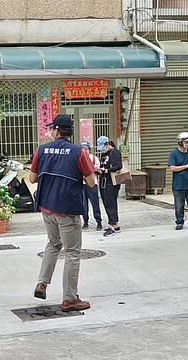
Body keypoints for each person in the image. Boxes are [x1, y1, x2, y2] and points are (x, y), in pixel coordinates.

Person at [30, 115, 96, 312]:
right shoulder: (79, 152)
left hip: (46, 207)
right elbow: (91, 182)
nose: (51, 132)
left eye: (52, 129)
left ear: (57, 131)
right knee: (72, 253)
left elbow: (33, 178)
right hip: (67, 209)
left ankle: (42, 283)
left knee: (53, 244)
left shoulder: (41, 150)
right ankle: (69, 298)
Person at [168, 132, 188, 231]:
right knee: (179, 206)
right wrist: (185, 166)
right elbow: (172, 168)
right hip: (178, 185)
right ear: (180, 142)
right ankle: (179, 222)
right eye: (186, 141)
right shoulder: (174, 153)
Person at [97, 137, 123, 237]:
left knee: (110, 203)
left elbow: (118, 165)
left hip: (111, 182)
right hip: (104, 181)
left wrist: (107, 170)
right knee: (107, 203)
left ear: (108, 144)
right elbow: (103, 164)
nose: (102, 149)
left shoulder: (115, 152)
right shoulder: (104, 154)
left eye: (103, 146)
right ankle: (115, 224)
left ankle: (112, 224)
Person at [80, 141, 102, 231]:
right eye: (83, 149)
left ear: (89, 149)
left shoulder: (94, 158)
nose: (85, 151)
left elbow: (98, 170)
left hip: (92, 184)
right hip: (82, 184)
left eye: (86, 149)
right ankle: (85, 221)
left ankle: (99, 221)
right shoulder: (79, 159)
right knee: (83, 205)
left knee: (95, 204)